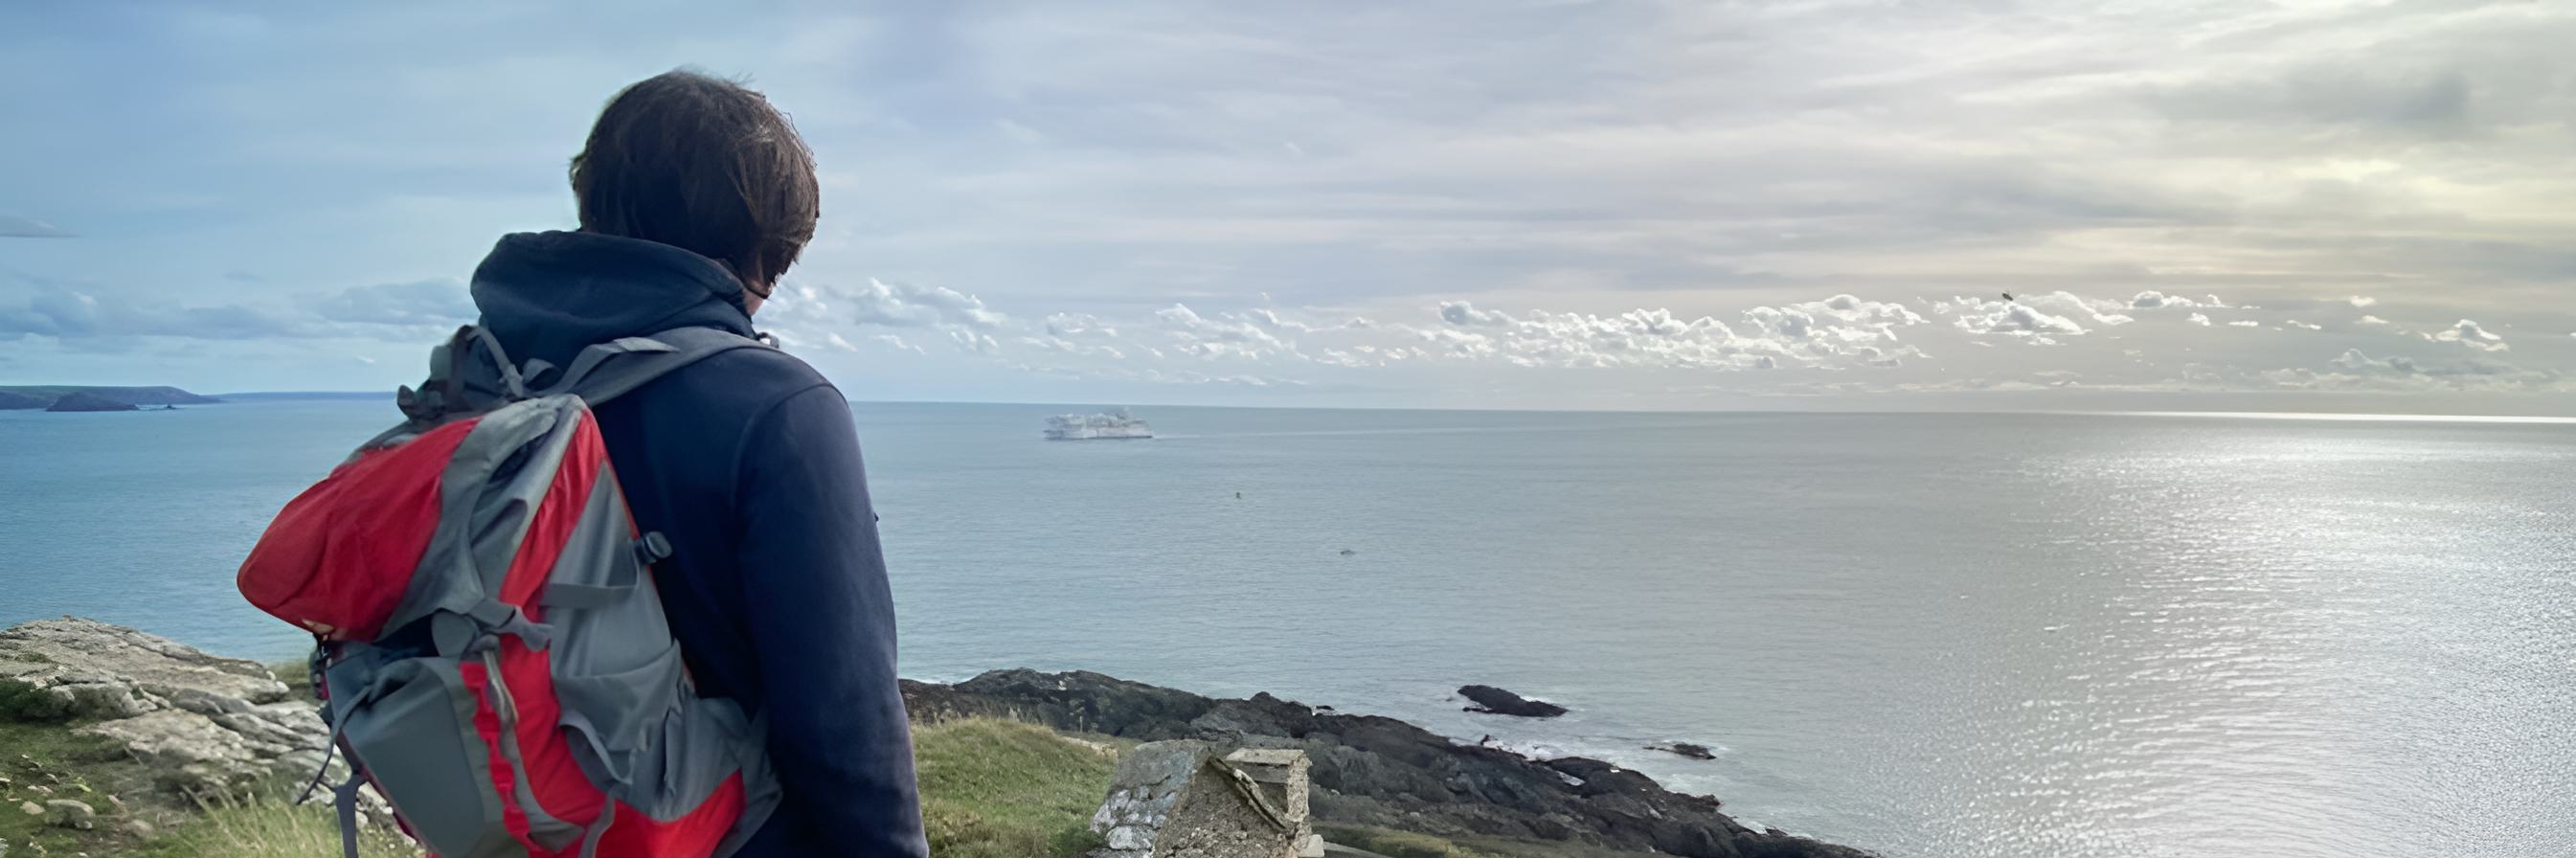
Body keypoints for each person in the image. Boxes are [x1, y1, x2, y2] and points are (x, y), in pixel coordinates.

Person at [464, 69, 927, 857]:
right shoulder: (779, 406)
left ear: (596, 200)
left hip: (517, 822)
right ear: (765, 242)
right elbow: (844, 718)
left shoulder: (484, 377)